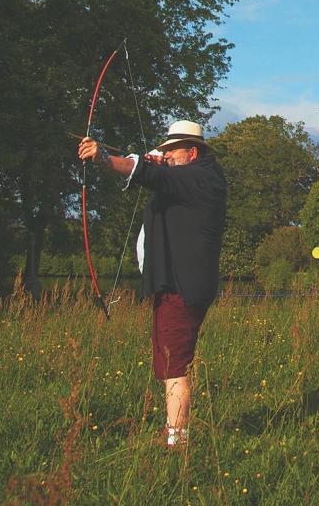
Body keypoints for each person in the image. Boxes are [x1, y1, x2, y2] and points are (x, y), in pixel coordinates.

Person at [78, 120, 226, 448]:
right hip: (175, 284)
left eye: (172, 150)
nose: (167, 156)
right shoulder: (191, 178)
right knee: (171, 361)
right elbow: (156, 176)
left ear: (191, 151)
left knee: (175, 364)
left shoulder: (200, 178)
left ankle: (177, 443)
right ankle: (174, 435)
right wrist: (147, 161)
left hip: (181, 286)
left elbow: (150, 175)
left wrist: (103, 157)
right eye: (165, 151)